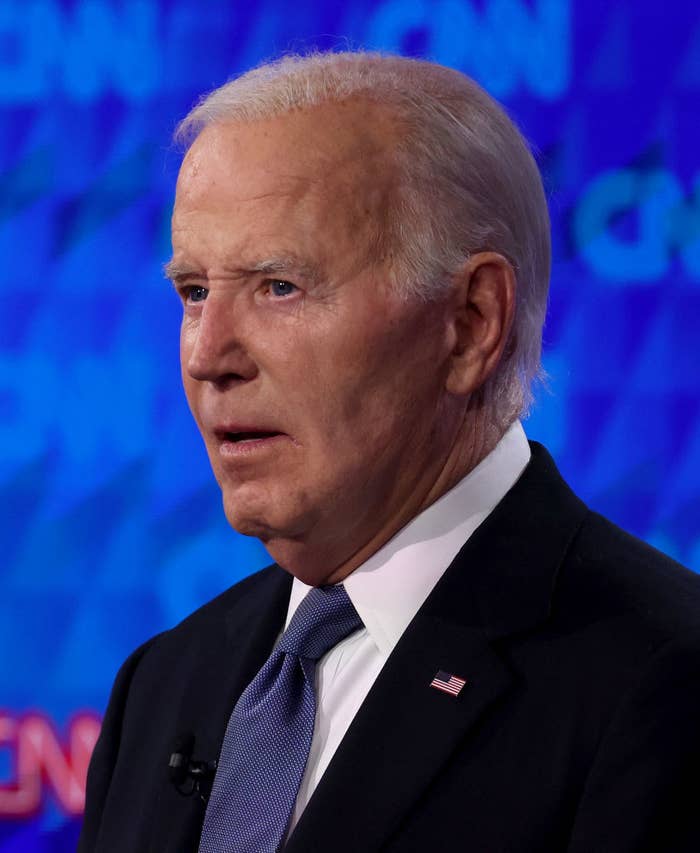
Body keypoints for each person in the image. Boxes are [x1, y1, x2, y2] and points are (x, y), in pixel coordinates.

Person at [78, 51, 700, 853]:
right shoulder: (164, 685)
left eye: (279, 287)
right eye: (195, 291)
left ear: (471, 322)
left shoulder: (661, 688)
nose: (208, 354)